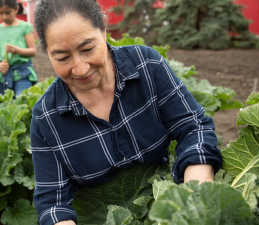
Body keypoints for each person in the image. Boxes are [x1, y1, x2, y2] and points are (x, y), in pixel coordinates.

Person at [30, 0, 222, 224]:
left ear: (104, 31)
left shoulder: (147, 65)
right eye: (62, 57)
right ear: (47, 54)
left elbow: (193, 127)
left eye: (87, 49)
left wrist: (193, 193)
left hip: (168, 207)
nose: (80, 68)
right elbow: (53, 203)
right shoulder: (45, 118)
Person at [0, 0, 38, 96]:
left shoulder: (25, 27)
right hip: (4, 74)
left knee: (22, 100)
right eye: (1, 13)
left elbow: (33, 51)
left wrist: (17, 50)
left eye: (8, 13)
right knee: (4, 103)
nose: (4, 16)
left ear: (16, 9)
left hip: (22, 73)